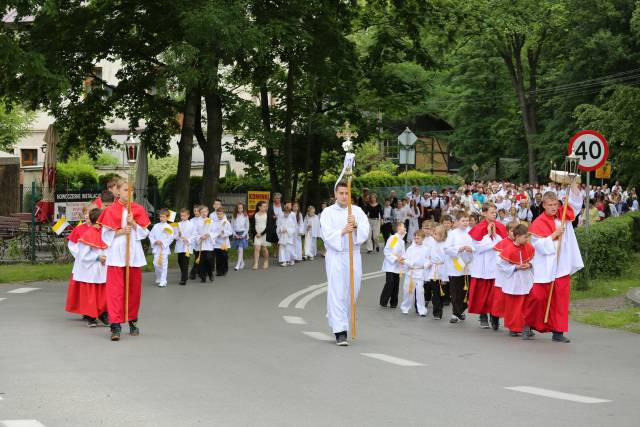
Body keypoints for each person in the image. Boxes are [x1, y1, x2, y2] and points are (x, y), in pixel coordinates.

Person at [523, 192, 584, 343]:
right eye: (550, 205)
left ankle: (558, 332)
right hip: (545, 267)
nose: (553, 208)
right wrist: (553, 235)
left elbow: (576, 205)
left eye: (556, 204)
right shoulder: (538, 222)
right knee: (538, 297)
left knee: (560, 300)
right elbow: (538, 246)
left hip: (561, 265)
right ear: (543, 205)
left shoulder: (564, 217)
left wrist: (574, 185)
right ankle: (528, 323)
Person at [98, 180, 151, 341]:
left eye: (131, 190)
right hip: (116, 255)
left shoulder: (138, 209)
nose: (129, 193)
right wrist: (121, 231)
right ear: (118, 192)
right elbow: (105, 235)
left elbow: (145, 233)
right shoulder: (110, 210)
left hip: (133, 255)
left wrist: (133, 223)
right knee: (115, 291)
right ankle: (115, 325)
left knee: (133, 291)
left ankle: (133, 321)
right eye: (126, 190)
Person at [320, 181, 370, 346]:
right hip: (336, 255)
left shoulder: (357, 211)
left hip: (353, 255)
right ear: (335, 194)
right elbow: (326, 234)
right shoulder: (328, 212)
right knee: (337, 291)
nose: (344, 196)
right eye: (341, 193)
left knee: (352, 292)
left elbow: (365, 231)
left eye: (346, 193)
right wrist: (342, 231)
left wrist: (355, 226)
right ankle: (340, 331)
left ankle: (340, 319)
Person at [66, 206, 108, 327]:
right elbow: (82, 253)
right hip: (90, 267)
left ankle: (103, 314)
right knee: (90, 293)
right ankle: (90, 316)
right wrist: (96, 258)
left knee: (102, 293)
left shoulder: (104, 232)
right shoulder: (87, 233)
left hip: (102, 267)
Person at [467, 202, 507, 329]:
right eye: (491, 212)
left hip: (495, 264)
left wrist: (495, 237)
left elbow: (504, 244)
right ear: (484, 213)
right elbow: (477, 248)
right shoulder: (478, 228)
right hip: (483, 265)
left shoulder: (500, 226)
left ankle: (495, 316)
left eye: (495, 212)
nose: (494, 214)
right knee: (482, 293)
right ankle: (483, 315)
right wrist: (489, 236)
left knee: (495, 293)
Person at [497, 224, 535, 337]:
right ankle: (513, 327)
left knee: (526, 305)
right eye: (524, 237)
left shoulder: (528, 247)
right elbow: (500, 265)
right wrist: (515, 267)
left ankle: (526, 327)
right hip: (514, 281)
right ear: (517, 237)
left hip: (526, 280)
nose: (527, 239)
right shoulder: (509, 249)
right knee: (514, 306)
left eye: (527, 237)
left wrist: (530, 264)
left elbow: (536, 259)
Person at [444, 212, 473, 324]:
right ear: (456, 222)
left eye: (467, 221)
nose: (465, 223)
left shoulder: (471, 232)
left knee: (467, 291)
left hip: (467, 265)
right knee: (455, 291)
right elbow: (446, 248)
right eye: (463, 221)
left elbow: (475, 245)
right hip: (455, 265)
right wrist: (458, 249)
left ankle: (460, 310)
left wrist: (471, 249)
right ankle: (455, 313)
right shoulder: (452, 234)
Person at [400, 230, 429, 316]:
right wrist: (409, 263)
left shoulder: (426, 249)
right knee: (408, 291)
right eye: (415, 238)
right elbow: (405, 258)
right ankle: (405, 307)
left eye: (418, 238)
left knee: (420, 292)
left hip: (420, 272)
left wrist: (424, 265)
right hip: (411, 272)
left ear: (423, 239)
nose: (416, 240)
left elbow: (428, 260)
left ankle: (422, 310)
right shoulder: (410, 248)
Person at [379, 222, 406, 308]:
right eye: (403, 227)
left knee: (396, 284)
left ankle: (393, 303)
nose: (405, 228)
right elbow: (387, 251)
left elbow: (403, 253)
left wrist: (403, 259)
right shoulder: (394, 238)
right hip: (390, 265)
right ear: (398, 228)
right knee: (390, 283)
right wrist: (395, 258)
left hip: (397, 265)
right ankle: (383, 301)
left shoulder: (401, 240)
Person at [425, 225, 448, 320]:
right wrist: (428, 264)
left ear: (442, 236)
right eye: (434, 234)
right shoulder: (432, 244)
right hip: (434, 270)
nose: (434, 236)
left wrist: (445, 277)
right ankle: (437, 312)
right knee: (435, 292)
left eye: (436, 234)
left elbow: (447, 261)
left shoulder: (446, 245)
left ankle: (440, 307)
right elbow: (427, 256)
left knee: (442, 292)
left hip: (442, 269)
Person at [148, 208, 174, 287]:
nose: (162, 218)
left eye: (164, 217)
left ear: (167, 217)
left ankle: (163, 280)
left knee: (164, 264)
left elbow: (171, 238)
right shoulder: (156, 226)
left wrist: (162, 242)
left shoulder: (169, 227)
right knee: (156, 264)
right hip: (157, 248)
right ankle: (158, 277)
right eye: (161, 217)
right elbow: (151, 235)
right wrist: (155, 241)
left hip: (164, 249)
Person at [195, 206, 215, 282]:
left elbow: (214, 231)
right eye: (202, 212)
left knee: (209, 258)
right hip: (200, 243)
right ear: (200, 213)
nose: (204, 213)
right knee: (201, 261)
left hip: (208, 242)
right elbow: (194, 232)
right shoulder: (197, 222)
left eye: (205, 212)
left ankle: (210, 273)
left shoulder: (211, 221)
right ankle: (203, 277)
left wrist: (208, 235)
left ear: (208, 212)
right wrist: (200, 236)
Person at [175, 208, 194, 286]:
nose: (182, 217)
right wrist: (178, 235)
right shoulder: (178, 224)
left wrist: (188, 240)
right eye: (181, 216)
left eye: (184, 216)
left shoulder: (192, 224)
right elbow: (175, 236)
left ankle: (183, 279)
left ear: (188, 216)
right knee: (180, 261)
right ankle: (185, 275)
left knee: (185, 262)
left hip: (187, 246)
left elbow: (194, 235)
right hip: (180, 245)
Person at [212, 207, 233, 276]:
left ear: (223, 214)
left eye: (221, 214)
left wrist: (224, 233)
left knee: (224, 256)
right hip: (217, 243)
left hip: (224, 242)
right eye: (218, 214)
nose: (219, 215)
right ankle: (219, 271)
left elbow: (230, 232)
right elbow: (213, 231)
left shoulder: (226, 222)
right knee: (218, 257)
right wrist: (216, 235)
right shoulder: (215, 222)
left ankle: (224, 270)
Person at [251, 201, 270, 270]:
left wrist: (261, 233)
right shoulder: (255, 215)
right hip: (257, 235)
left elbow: (268, 226)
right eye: (264, 206)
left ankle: (266, 261)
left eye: (266, 206)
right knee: (257, 248)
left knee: (264, 249)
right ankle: (256, 263)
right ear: (259, 207)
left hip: (264, 234)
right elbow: (252, 226)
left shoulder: (267, 215)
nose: (265, 208)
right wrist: (256, 233)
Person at [232, 203, 249, 271]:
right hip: (236, 233)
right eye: (239, 208)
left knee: (240, 249)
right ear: (237, 208)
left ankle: (238, 264)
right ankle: (242, 262)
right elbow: (232, 226)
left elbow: (247, 227)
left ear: (243, 208)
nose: (240, 209)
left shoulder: (245, 216)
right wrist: (235, 234)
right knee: (237, 250)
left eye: (241, 208)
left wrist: (243, 235)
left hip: (242, 233)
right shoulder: (234, 216)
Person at [189, 205, 202, 280]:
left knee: (199, 257)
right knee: (197, 257)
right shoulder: (192, 220)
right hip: (194, 241)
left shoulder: (203, 219)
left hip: (201, 240)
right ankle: (195, 272)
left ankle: (194, 272)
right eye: (195, 211)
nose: (196, 212)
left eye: (198, 211)